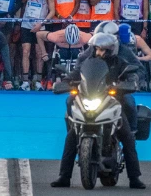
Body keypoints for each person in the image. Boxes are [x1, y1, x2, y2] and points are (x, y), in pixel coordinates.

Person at [50, 33, 144, 190]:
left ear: (111, 50)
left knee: (127, 137)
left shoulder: (120, 62)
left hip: (112, 102)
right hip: (90, 100)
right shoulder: (88, 62)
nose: (99, 52)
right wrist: (66, 82)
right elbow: (76, 73)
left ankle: (134, 177)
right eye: (97, 49)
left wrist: (130, 82)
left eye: (103, 50)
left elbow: (131, 75)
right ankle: (64, 176)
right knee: (72, 135)